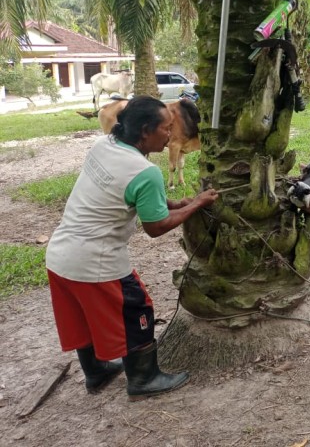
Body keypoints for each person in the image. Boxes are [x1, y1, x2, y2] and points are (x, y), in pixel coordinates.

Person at [46, 96, 219, 399]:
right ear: (144, 131)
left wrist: (177, 202)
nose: (170, 134)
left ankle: (96, 372)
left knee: (83, 317)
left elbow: (127, 189)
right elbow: (156, 227)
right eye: (165, 129)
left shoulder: (105, 146)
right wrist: (198, 204)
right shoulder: (146, 171)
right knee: (137, 308)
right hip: (95, 263)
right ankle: (143, 379)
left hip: (60, 256)